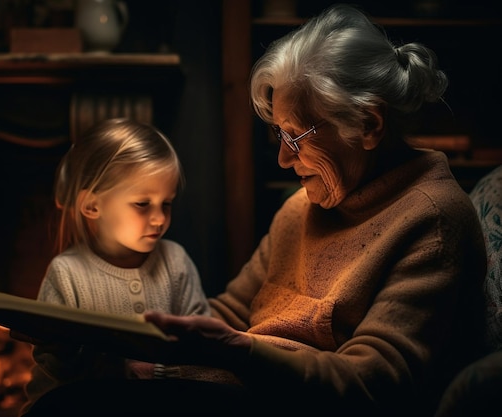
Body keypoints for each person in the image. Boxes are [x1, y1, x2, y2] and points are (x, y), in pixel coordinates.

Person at [24, 4, 488, 416]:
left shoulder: (434, 221)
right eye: (279, 137)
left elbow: (374, 384)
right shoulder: (301, 207)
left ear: (368, 124)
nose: (285, 159)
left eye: (296, 137)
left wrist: (237, 351)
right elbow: (227, 312)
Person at [19, 118, 212, 416]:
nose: (159, 218)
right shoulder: (67, 273)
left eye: (167, 204)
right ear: (92, 206)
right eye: (142, 204)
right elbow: (54, 369)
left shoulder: (176, 262)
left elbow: (201, 348)